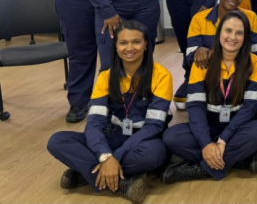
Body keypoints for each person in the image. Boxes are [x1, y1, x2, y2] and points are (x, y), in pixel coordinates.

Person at [47, 21, 172, 204]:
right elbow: (94, 124)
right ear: (116, 46)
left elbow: (153, 127)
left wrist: (114, 157)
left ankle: (86, 173)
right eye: (123, 43)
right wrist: (105, 155)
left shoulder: (161, 76)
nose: (129, 48)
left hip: (144, 140)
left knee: (152, 155)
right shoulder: (106, 76)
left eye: (136, 42)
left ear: (146, 44)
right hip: (114, 136)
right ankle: (122, 183)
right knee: (57, 141)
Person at [162, 11, 257, 183]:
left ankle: (200, 169)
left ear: (245, 37)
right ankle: (237, 160)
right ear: (219, 33)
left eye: (239, 33)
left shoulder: (255, 63)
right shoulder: (203, 61)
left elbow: (250, 109)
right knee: (171, 137)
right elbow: (195, 108)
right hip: (209, 125)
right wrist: (206, 143)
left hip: (237, 127)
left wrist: (223, 140)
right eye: (228, 31)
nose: (232, 37)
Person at [180, 0, 257, 109]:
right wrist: (199, 51)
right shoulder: (199, 19)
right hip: (211, 74)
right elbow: (190, 57)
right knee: (181, 103)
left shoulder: (250, 17)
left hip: (241, 73)